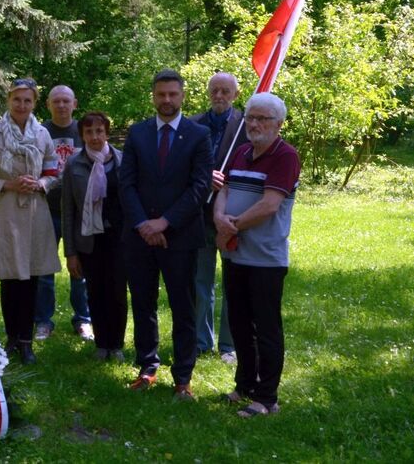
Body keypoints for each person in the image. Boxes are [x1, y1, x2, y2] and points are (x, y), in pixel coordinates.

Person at [120, 69, 213, 398]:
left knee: (183, 306)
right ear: (153, 96)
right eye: (161, 94)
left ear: (183, 95)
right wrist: (145, 224)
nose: (167, 100)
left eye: (173, 94)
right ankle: (147, 367)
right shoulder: (138, 133)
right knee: (142, 304)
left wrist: (165, 223)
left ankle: (183, 377)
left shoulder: (198, 135)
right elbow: (126, 184)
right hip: (139, 237)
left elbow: (200, 187)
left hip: (181, 237)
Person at [214, 92, 300, 418]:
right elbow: (224, 190)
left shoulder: (285, 156)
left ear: (278, 124)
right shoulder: (241, 152)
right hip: (235, 256)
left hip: (265, 259)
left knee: (266, 329)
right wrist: (219, 218)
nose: (254, 124)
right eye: (251, 117)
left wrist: (229, 227)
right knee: (238, 325)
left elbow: (269, 205)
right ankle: (245, 386)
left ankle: (267, 398)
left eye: (262, 118)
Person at [0, 77, 61, 364]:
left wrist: (40, 185)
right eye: (17, 99)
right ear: (8, 100)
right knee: (10, 279)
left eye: (27, 100)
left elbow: (54, 172)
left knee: (33, 277)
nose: (22, 105)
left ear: (34, 103)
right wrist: (8, 184)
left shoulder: (42, 134)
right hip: (5, 213)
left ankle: (27, 341)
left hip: (35, 212)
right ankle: (12, 338)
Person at [190, 72, 247, 364]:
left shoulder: (246, 126)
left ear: (235, 95)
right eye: (214, 90)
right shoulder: (193, 124)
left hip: (231, 215)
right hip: (199, 216)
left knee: (232, 283)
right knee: (201, 281)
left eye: (226, 91)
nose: (219, 96)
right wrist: (202, 178)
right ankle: (202, 342)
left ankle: (228, 345)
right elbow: (183, 167)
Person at [61, 112, 127, 362]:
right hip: (88, 239)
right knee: (96, 292)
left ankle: (117, 345)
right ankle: (101, 343)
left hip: (119, 239)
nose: (95, 136)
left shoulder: (122, 160)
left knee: (118, 292)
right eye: (89, 132)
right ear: (82, 135)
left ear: (107, 133)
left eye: (99, 131)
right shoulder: (74, 164)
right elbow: (68, 210)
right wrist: (70, 252)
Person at [34, 85, 93, 342]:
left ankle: (83, 320)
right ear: (48, 105)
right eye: (56, 101)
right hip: (46, 210)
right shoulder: (39, 132)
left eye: (65, 101)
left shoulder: (84, 131)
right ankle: (43, 322)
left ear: (75, 103)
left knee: (80, 270)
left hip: (79, 213)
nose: (61, 105)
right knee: (44, 270)